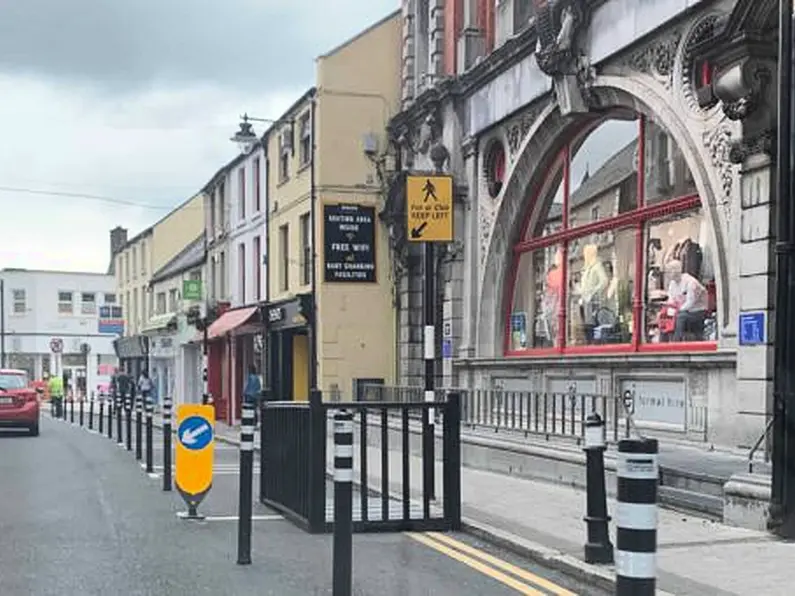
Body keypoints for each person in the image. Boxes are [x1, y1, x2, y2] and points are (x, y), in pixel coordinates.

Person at [664, 259, 708, 341]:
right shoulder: (672, 284)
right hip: (683, 310)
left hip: (697, 311)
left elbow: (690, 302)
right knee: (663, 316)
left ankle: (676, 342)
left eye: (669, 271)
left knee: (680, 317)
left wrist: (677, 311)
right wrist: (670, 312)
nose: (667, 274)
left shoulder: (691, 282)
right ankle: (663, 343)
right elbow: (671, 299)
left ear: (676, 271)